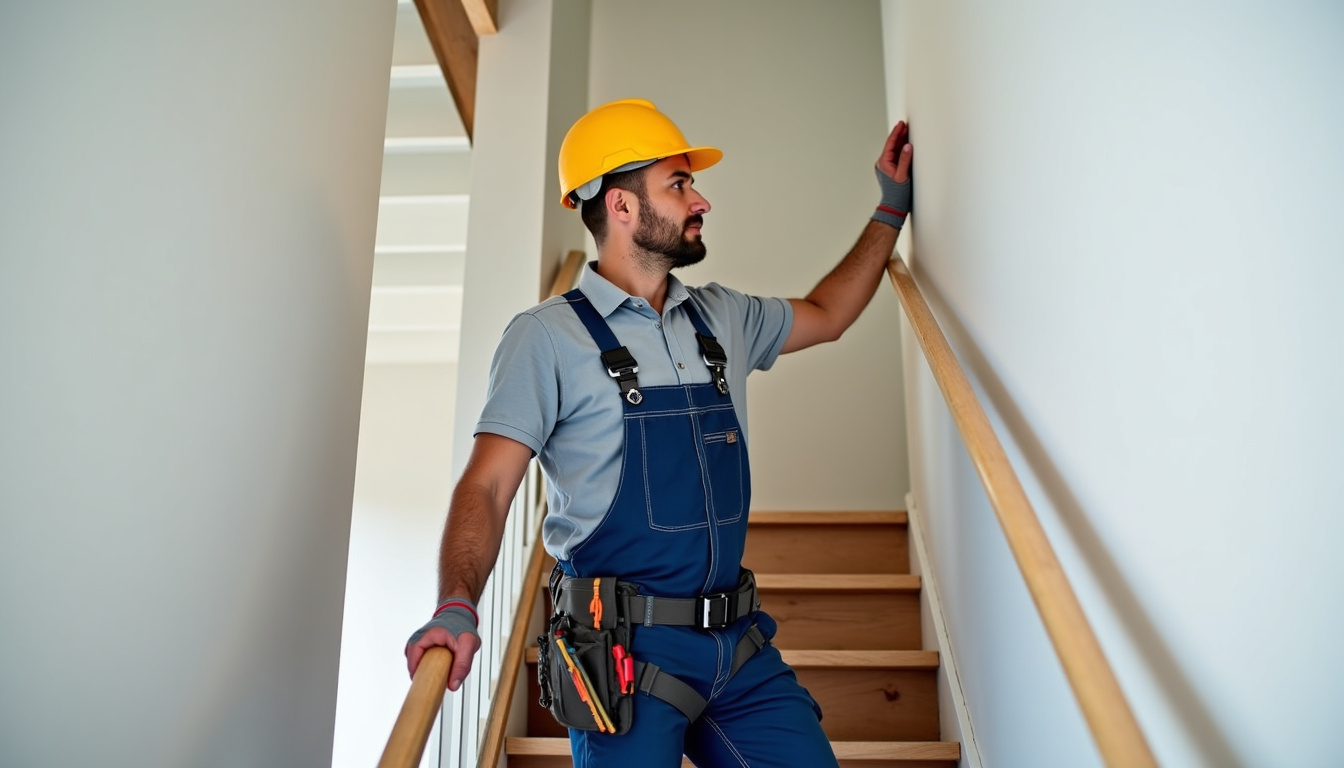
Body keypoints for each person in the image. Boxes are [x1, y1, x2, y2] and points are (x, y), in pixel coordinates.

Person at [405, 98, 912, 768]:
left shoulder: (721, 315)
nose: (700, 200)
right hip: (617, 655)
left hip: (738, 646)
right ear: (620, 206)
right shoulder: (545, 338)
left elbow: (829, 312)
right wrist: (456, 606)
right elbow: (490, 486)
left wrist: (889, 210)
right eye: (679, 184)